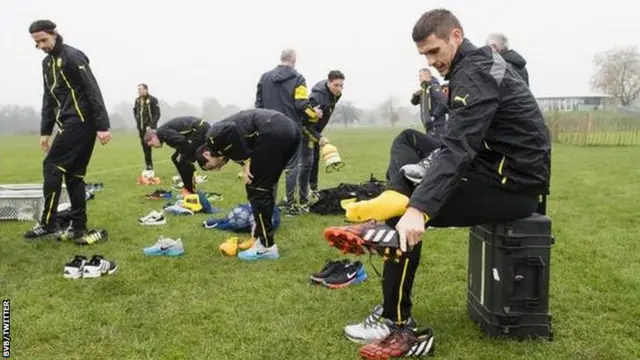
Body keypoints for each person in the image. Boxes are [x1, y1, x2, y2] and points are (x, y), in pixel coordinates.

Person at [323, 9, 550, 359]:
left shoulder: (475, 74)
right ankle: (395, 195)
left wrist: (419, 209)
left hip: (513, 184)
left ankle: (395, 322)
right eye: (424, 56)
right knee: (409, 140)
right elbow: (455, 141)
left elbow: (458, 148)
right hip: (490, 164)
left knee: (402, 220)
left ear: (456, 36)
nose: (432, 61)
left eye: (434, 52)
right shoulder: (473, 65)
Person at [24, 20, 112, 244]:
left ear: (55, 34)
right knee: (74, 175)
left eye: (44, 40)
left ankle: (48, 223)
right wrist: (45, 131)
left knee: (51, 166)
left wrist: (103, 126)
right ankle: (79, 227)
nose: (42, 46)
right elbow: (48, 99)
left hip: (81, 121)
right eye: (37, 43)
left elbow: (92, 90)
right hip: (67, 123)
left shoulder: (72, 57)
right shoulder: (46, 64)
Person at [195, 109, 301, 261]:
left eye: (212, 166)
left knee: (255, 188)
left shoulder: (212, 137)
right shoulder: (229, 146)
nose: (219, 168)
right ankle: (260, 238)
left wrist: (246, 159)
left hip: (273, 129)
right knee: (264, 187)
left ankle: (266, 246)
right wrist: (245, 160)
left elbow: (230, 128)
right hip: (291, 130)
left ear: (206, 154)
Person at [255, 48, 321, 215]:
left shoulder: (264, 78)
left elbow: (259, 106)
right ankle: (291, 206)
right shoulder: (298, 78)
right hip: (291, 129)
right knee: (292, 168)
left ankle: (270, 205)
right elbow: (301, 104)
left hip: (268, 129)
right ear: (294, 60)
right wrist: (315, 114)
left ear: (281, 58)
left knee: (271, 167)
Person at [299, 70, 345, 204]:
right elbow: (305, 124)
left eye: (341, 85)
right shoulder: (317, 98)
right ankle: (302, 196)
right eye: (336, 85)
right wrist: (319, 137)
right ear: (328, 82)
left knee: (315, 160)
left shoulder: (336, 95)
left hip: (316, 132)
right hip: (305, 132)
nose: (339, 89)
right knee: (306, 163)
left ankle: (314, 190)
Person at [143, 117, 211, 194]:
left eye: (152, 144)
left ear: (154, 137)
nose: (154, 147)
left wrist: (182, 154)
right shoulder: (163, 135)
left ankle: (190, 189)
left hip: (201, 129)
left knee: (183, 159)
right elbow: (181, 143)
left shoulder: (162, 133)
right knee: (175, 158)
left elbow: (182, 141)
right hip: (199, 129)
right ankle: (188, 184)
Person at [410, 68, 449, 138]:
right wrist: (415, 96)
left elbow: (443, 103)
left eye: (420, 76)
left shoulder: (434, 87)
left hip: (437, 127)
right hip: (429, 127)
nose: (419, 78)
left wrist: (434, 116)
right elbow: (414, 102)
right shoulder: (425, 89)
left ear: (427, 75)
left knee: (437, 147)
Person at [133, 83, 161, 173]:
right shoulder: (137, 100)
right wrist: (138, 121)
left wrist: (151, 125)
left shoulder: (153, 100)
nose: (139, 91)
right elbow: (135, 111)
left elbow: (157, 114)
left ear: (146, 89)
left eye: (140, 89)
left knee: (150, 145)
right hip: (141, 128)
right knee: (145, 147)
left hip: (149, 128)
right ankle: (148, 166)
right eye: (138, 89)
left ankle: (149, 166)